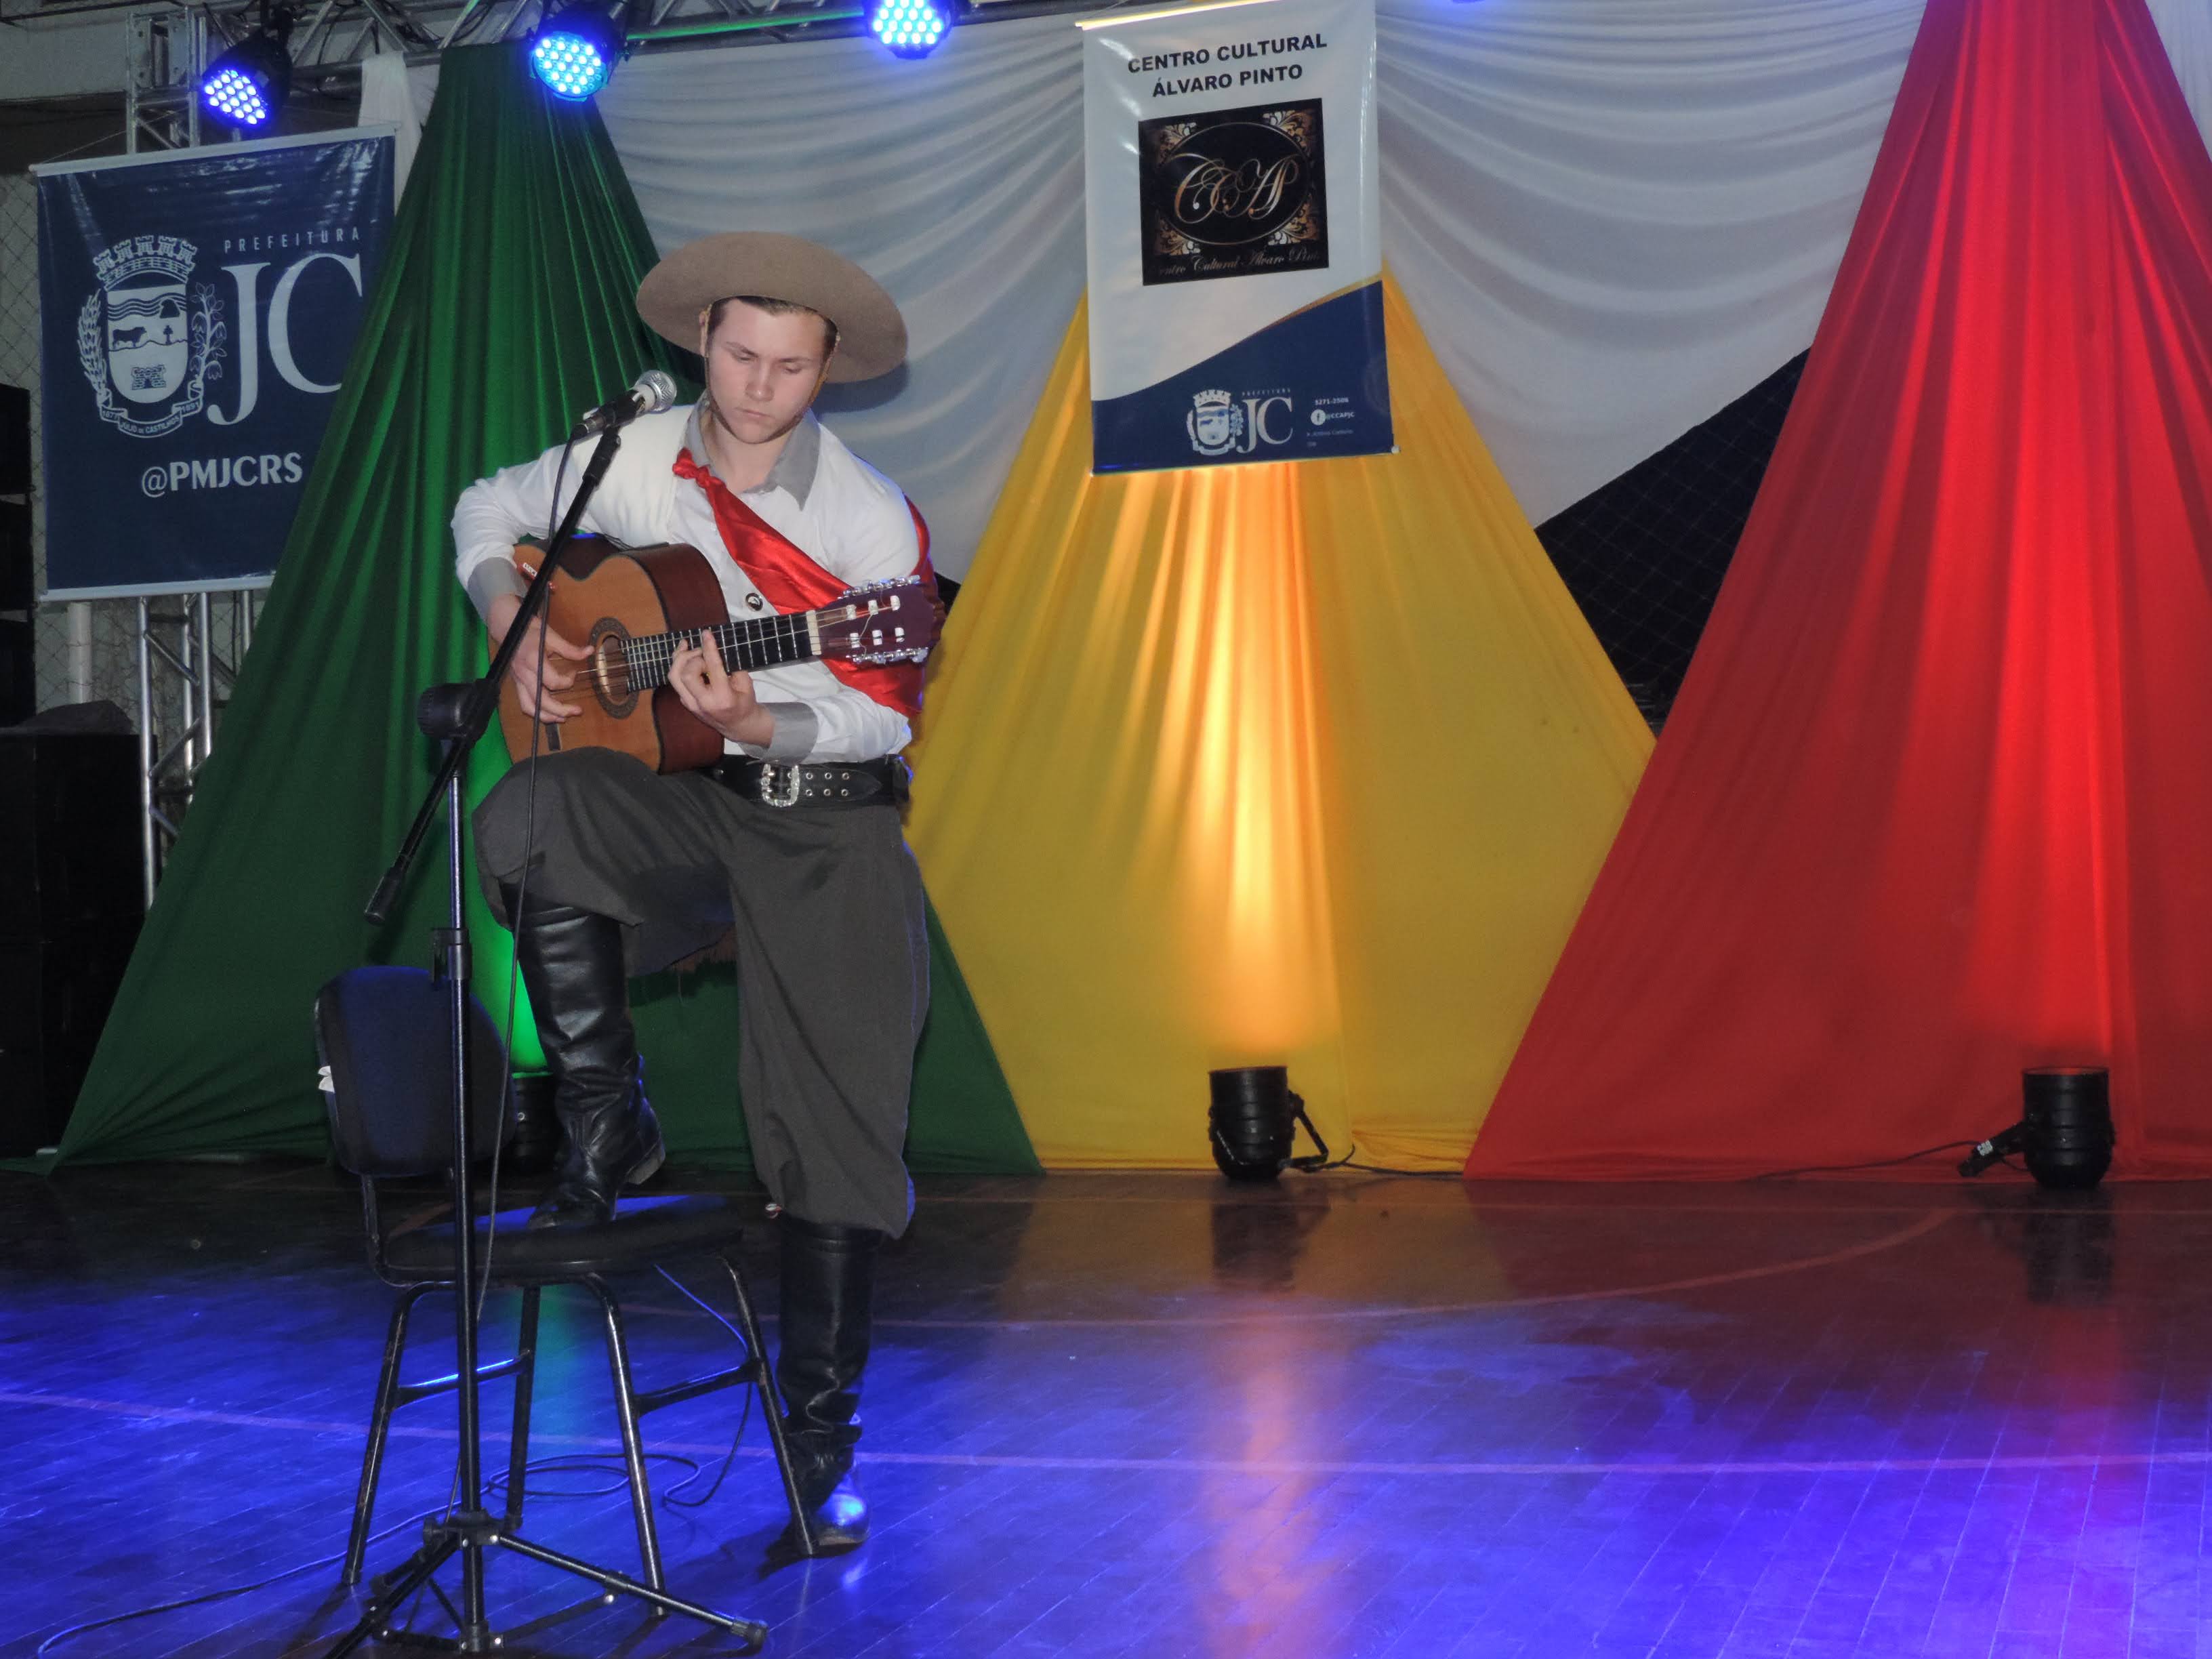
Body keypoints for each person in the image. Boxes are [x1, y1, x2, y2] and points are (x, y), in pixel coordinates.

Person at [449, 232, 930, 1557]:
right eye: (740, 355)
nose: (760, 386)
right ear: (700, 339)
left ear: (828, 369)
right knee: (529, 810)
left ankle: (818, 1455)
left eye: (791, 366)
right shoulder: (633, 457)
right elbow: (485, 507)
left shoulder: (867, 518)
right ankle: (610, 1117)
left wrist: (758, 719)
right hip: (688, 803)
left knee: (835, 1135)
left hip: (825, 827)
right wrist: (507, 618)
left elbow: (886, 712)